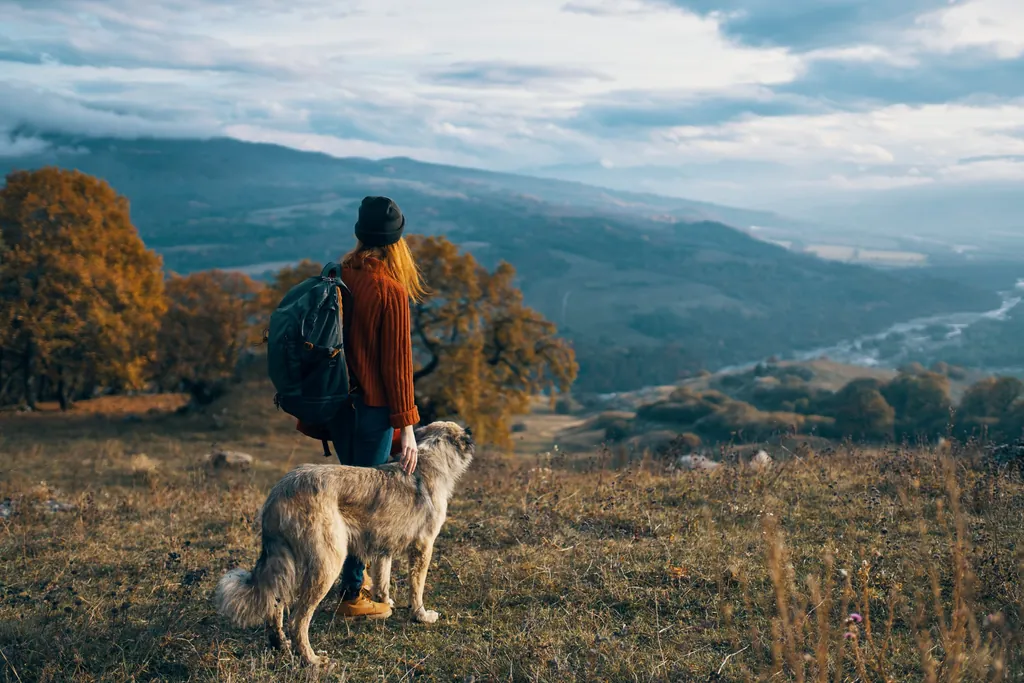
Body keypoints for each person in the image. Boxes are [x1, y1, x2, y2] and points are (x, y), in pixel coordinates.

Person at [304, 195, 425, 620]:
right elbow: (397, 368)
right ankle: (352, 595)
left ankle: (344, 579)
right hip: (371, 410)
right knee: (366, 503)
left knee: (349, 496)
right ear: (396, 241)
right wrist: (407, 429)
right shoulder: (389, 290)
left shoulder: (338, 274)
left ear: (360, 234)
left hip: (337, 405)